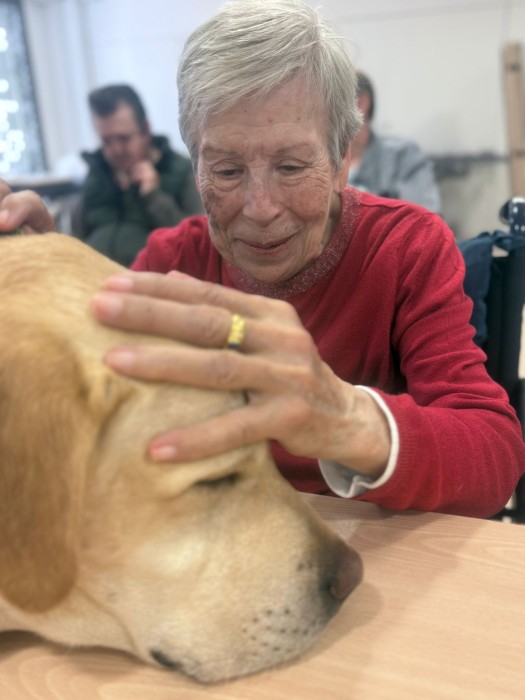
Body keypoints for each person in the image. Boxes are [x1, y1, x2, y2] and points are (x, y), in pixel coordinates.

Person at [3, 0, 524, 519]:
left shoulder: (405, 248)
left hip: (370, 552)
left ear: (342, 158)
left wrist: (346, 417)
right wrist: (53, 285)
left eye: (291, 167)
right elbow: (86, 415)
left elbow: (493, 457)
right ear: (194, 164)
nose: (260, 209)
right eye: (227, 171)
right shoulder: (174, 259)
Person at [73, 84, 203, 266]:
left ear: (146, 129)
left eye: (124, 138)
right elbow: (76, 239)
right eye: (106, 141)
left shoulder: (182, 171)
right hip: (93, 276)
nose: (116, 150)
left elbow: (199, 245)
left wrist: (154, 197)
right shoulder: (96, 175)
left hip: (153, 280)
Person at [349, 71, 442, 213]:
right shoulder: (320, 162)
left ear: (362, 102)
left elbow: (424, 215)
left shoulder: (403, 157)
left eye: (331, 100)